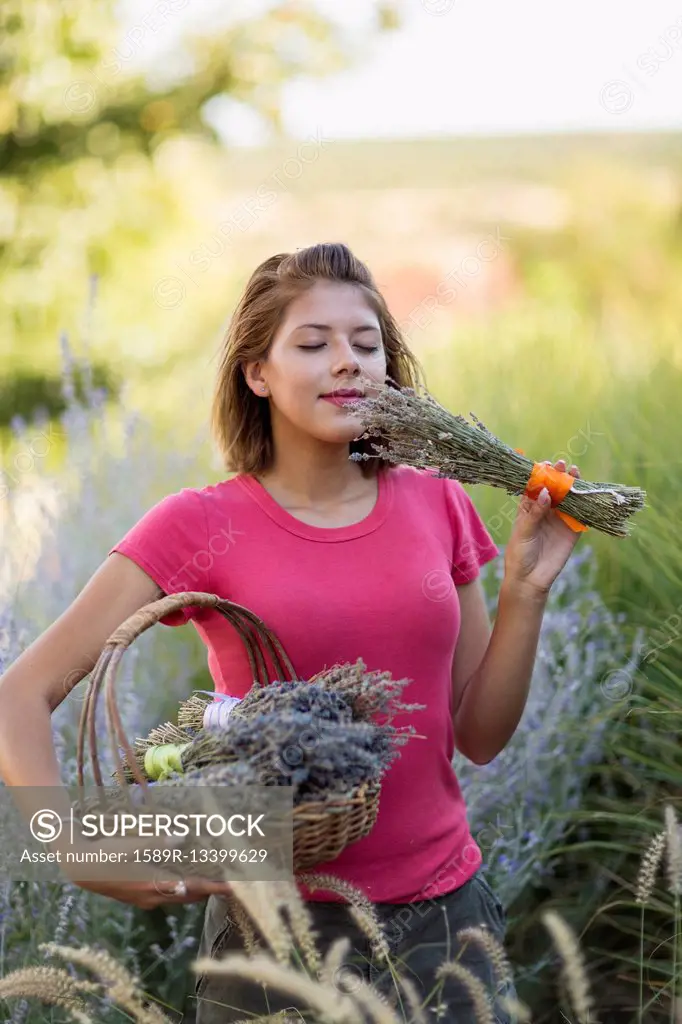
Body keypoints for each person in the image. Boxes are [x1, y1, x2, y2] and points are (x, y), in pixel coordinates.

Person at [0, 243, 583, 1024]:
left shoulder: (438, 503)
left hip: (447, 924)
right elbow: (20, 694)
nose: (347, 362)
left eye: (366, 344)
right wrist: (73, 847)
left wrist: (525, 591)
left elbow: (478, 735)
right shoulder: (198, 524)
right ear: (258, 373)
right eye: (314, 344)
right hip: (272, 939)